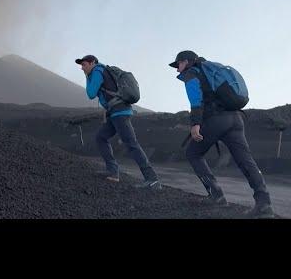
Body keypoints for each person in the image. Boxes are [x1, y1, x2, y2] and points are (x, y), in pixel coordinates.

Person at [170, 50, 274, 218]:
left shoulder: (192, 73)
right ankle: (264, 204)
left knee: (193, 153)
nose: (177, 69)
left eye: (178, 64)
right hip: (236, 118)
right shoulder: (212, 70)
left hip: (216, 119)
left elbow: (195, 99)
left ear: (187, 62)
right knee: (245, 160)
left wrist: (195, 124)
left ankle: (216, 196)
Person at [77, 54, 161, 189]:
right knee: (101, 137)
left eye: (84, 64)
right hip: (115, 112)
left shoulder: (98, 71)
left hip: (119, 112)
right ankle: (113, 172)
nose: (82, 68)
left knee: (131, 144)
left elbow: (91, 93)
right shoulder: (101, 71)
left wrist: (87, 77)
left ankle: (152, 179)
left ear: (92, 62)